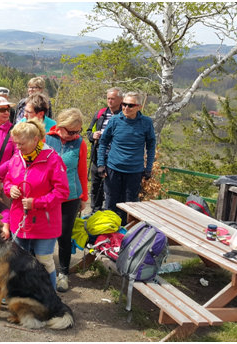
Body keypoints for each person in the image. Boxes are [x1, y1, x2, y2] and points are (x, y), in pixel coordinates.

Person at [4, 119, 69, 289]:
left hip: (44, 222)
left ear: (35, 140)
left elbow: (62, 192)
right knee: (18, 261)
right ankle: (19, 295)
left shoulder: (53, 159)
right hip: (20, 219)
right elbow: (8, 180)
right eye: (15, 143)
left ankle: (50, 298)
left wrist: (37, 203)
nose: (18, 147)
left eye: (21, 143)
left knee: (44, 260)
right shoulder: (17, 157)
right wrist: (10, 189)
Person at [45, 108, 89, 292]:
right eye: (71, 131)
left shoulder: (80, 143)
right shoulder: (47, 139)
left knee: (64, 234)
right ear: (60, 127)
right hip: (48, 195)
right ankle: (43, 270)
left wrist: (84, 197)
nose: (75, 135)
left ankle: (63, 274)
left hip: (71, 196)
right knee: (44, 234)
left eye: (78, 131)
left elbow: (82, 172)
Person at [97, 91, 156, 223]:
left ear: (139, 107)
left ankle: (125, 237)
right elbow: (103, 142)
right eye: (124, 104)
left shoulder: (146, 123)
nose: (125, 108)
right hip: (113, 169)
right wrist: (101, 164)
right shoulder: (115, 120)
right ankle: (108, 236)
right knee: (110, 205)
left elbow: (151, 146)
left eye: (130, 105)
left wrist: (149, 168)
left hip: (134, 172)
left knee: (130, 207)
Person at [86, 87, 123, 213]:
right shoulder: (100, 113)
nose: (110, 101)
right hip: (97, 156)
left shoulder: (124, 116)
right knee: (95, 186)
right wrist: (93, 136)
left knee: (110, 188)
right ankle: (94, 211)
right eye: (108, 98)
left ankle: (109, 213)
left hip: (114, 158)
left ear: (121, 100)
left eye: (113, 99)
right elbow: (88, 131)